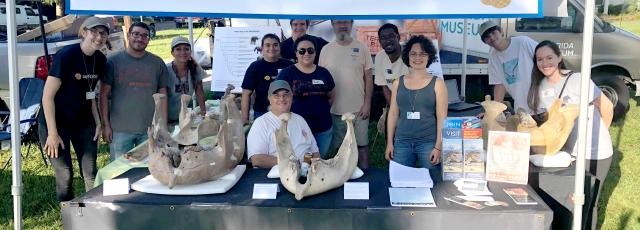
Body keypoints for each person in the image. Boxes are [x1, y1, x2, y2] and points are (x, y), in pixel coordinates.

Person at [527, 40, 613, 230]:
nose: (545, 62)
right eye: (540, 59)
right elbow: (550, 123)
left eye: (549, 57)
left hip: (595, 151)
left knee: (589, 200)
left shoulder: (577, 79)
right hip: (568, 152)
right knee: (573, 200)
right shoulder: (540, 87)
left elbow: (606, 107)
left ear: (559, 57)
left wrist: (600, 135)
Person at [38, 17, 108, 201]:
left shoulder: (100, 60)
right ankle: (68, 217)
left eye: (103, 33)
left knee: (91, 171)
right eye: (94, 31)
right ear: (84, 32)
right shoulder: (66, 56)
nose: (99, 37)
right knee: (65, 174)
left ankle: (93, 212)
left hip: (83, 121)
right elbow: (47, 97)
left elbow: (90, 92)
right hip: (56, 121)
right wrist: (52, 133)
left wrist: (98, 121)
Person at [100, 22, 169, 161]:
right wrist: (106, 125)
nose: (140, 39)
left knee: (148, 172)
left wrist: (163, 124)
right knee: (119, 173)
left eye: (145, 36)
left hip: (149, 129)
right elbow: (104, 95)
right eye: (136, 34)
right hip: (119, 130)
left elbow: (163, 96)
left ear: (149, 39)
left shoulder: (157, 63)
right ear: (128, 35)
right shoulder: (113, 62)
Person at [385, 35, 447, 175]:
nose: (417, 58)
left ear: (429, 56)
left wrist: (438, 146)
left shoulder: (438, 83)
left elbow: (442, 117)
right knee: (399, 182)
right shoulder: (397, 83)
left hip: (428, 143)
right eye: (413, 54)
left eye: (422, 54)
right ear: (407, 56)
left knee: (433, 183)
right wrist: (390, 142)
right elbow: (393, 113)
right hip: (401, 142)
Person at [319, 19, 373, 169]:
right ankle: (341, 180)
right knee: (339, 150)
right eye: (338, 23)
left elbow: (368, 77)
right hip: (335, 111)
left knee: (362, 147)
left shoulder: (362, 48)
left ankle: (364, 180)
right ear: (332, 25)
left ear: (351, 24)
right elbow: (322, 80)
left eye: (345, 22)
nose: (342, 26)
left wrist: (367, 103)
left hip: (359, 110)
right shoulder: (326, 50)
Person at [278, 35, 335, 158]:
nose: (306, 53)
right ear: (296, 53)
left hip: (323, 127)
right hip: (296, 129)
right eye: (302, 51)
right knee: (299, 162)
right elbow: (277, 98)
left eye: (310, 50)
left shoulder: (323, 73)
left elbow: (331, 96)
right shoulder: (286, 73)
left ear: (315, 53)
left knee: (318, 161)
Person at [247, 80, 320, 169]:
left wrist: (313, 168)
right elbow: (257, 159)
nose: (282, 99)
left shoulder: (300, 120)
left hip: (306, 173)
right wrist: (293, 165)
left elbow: (315, 152)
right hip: (278, 174)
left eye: (286, 95)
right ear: (269, 99)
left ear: (291, 97)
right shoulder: (261, 123)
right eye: (276, 95)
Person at [479, 20, 538, 113]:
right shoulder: (493, 57)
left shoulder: (523, 42)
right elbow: (499, 85)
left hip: (542, 104)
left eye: (494, 33)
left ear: (501, 31)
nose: (492, 37)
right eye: (487, 37)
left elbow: (546, 60)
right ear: (485, 42)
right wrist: (494, 112)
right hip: (522, 109)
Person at [241, 34, 294, 124]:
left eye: (275, 45)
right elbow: (246, 94)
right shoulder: (255, 67)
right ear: (262, 48)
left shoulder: (289, 66)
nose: (272, 48)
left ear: (279, 47)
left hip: (285, 113)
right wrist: (245, 119)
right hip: (262, 113)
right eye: (268, 45)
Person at [166, 36, 207, 124]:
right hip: (168, 119)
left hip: (186, 117)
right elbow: (162, 98)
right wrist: (165, 121)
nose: (183, 52)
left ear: (190, 52)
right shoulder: (166, 70)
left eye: (186, 49)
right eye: (178, 49)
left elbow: (200, 92)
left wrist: (204, 115)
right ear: (172, 53)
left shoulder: (195, 68)